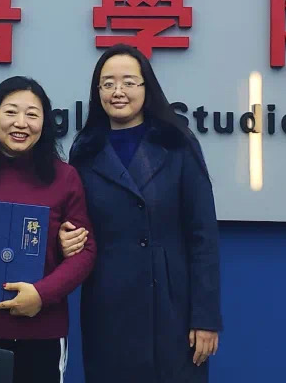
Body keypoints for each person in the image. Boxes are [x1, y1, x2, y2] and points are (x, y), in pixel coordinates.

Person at [58, 44, 222, 383]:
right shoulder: (85, 149)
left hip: (172, 305)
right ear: (97, 91)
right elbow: (75, 219)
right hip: (108, 302)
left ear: (147, 87)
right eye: (108, 83)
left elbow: (203, 236)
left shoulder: (178, 143)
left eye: (129, 82)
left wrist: (205, 317)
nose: (118, 91)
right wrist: (65, 235)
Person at [0, 76, 96, 383]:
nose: (21, 123)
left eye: (32, 114)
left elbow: (85, 251)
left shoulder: (65, 177)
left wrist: (41, 294)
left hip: (41, 331)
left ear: (45, 123)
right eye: (10, 112)